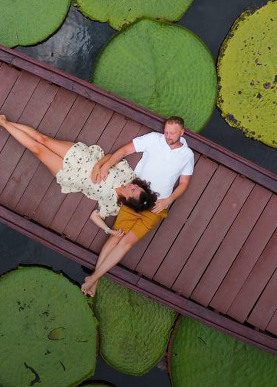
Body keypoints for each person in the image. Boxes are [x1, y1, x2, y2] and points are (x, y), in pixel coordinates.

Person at [0, 111, 158, 235]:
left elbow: (95, 216)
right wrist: (100, 166)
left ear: (129, 199)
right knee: (41, 139)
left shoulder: (114, 205)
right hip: (82, 157)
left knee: (37, 150)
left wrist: (109, 231)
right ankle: (1, 122)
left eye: (134, 190)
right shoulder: (127, 176)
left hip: (72, 176)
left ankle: (3, 122)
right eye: (137, 186)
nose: (134, 186)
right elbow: (111, 157)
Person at [80, 116, 194, 296]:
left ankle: (93, 279)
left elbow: (184, 184)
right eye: (166, 131)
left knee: (126, 244)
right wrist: (107, 165)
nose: (168, 136)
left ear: (182, 132)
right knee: (116, 237)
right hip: (136, 197)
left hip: (157, 205)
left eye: (172, 133)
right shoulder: (154, 139)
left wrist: (168, 200)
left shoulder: (187, 155)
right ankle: (94, 280)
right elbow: (125, 150)